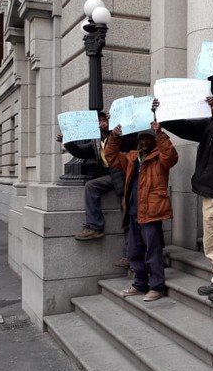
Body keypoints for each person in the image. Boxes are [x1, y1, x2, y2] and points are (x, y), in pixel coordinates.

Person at [159, 87, 213, 303]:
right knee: (212, 241)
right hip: (208, 191)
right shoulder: (212, 123)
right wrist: (162, 115)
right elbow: (185, 128)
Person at [105, 121, 178, 302]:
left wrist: (160, 133)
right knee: (134, 251)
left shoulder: (159, 157)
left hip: (152, 212)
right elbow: (111, 156)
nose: (144, 142)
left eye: (148, 138)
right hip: (133, 211)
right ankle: (140, 283)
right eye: (141, 139)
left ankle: (156, 287)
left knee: (152, 251)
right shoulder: (132, 157)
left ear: (153, 141)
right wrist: (114, 136)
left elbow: (171, 156)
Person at [57, 111, 127, 241]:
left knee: (128, 215)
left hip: (123, 177)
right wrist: (68, 142)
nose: (102, 124)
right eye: (99, 122)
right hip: (109, 175)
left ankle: (130, 254)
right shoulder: (96, 141)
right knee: (91, 186)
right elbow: (80, 152)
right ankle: (95, 227)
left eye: (104, 120)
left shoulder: (120, 135)